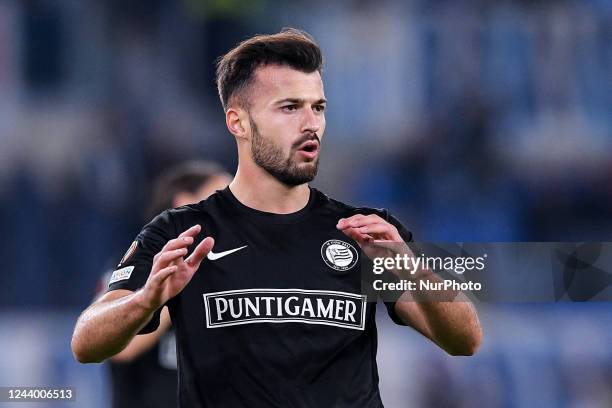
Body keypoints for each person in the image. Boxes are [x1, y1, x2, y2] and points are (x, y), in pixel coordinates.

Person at [72, 28, 482, 407]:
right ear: (238, 122)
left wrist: (410, 268)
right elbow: (86, 341)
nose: (311, 124)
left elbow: (465, 339)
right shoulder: (181, 231)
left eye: (317, 107)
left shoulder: (366, 231)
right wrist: (146, 301)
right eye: (289, 108)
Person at [94, 161, 231, 408]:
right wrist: (170, 295)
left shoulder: (226, 270)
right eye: (220, 200)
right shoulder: (133, 263)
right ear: (184, 204)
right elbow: (115, 349)